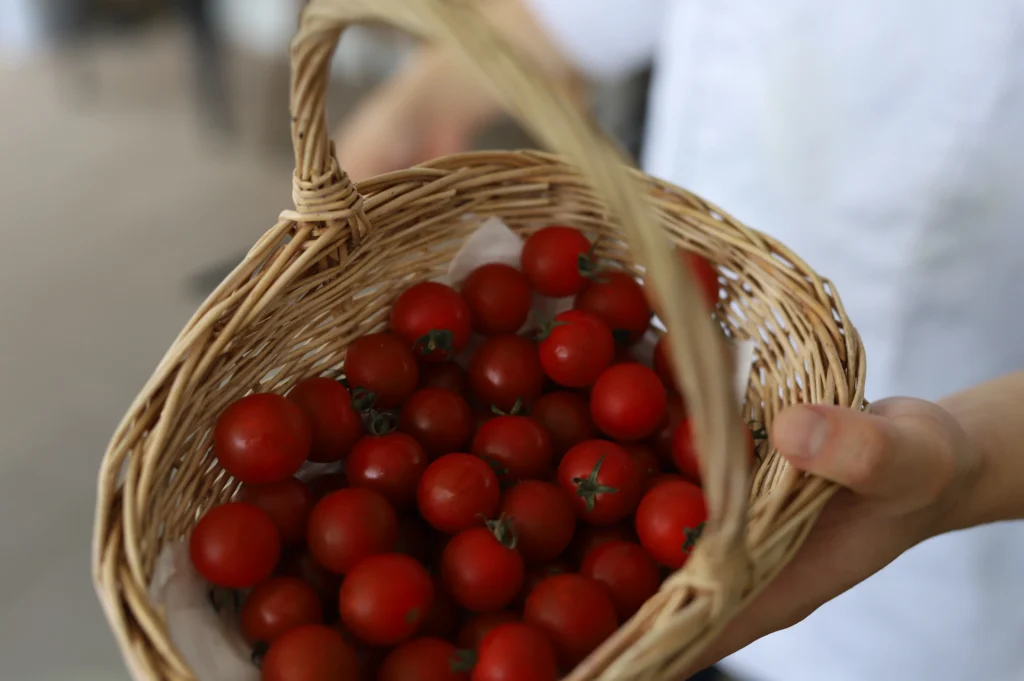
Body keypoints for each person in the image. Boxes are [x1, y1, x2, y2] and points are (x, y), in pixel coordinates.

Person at [333, 1, 1024, 680]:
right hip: (678, 494)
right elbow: (562, 21)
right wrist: (415, 105)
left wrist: (970, 465)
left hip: (910, 597)